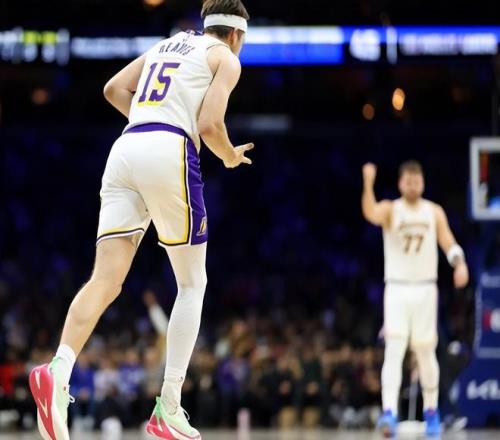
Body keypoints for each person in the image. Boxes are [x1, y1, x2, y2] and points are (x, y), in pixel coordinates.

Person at [29, 1, 252, 439]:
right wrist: (228, 155)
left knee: (105, 279)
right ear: (236, 34)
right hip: (169, 148)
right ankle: (168, 407)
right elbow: (209, 124)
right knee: (192, 283)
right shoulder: (224, 57)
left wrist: (150, 119)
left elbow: (113, 89)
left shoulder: (166, 45)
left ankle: (58, 369)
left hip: (126, 148)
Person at [361, 161, 469, 437]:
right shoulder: (391, 209)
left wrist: (459, 263)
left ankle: (432, 412)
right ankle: (389, 413)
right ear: (401, 183)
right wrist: (368, 183)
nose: (412, 186)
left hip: (425, 289)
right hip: (397, 288)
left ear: (423, 183)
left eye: (417, 181)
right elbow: (370, 212)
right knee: (394, 350)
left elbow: (448, 241)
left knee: (425, 352)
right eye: (408, 181)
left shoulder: (433, 211)